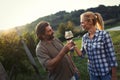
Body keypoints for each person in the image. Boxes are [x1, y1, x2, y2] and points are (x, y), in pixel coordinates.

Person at [73, 11, 118, 80]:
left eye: (82, 22)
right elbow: (82, 55)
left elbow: (111, 56)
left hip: (105, 74)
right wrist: (74, 46)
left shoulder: (104, 35)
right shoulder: (84, 37)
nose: (81, 24)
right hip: (93, 74)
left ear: (90, 21)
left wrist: (114, 75)